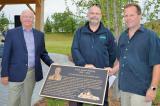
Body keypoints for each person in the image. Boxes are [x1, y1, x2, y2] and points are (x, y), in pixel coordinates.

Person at [107, 3, 160, 106]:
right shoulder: (123, 36)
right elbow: (122, 58)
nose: (128, 18)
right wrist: (113, 70)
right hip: (124, 88)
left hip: (141, 91)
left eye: (131, 15)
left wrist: (153, 88)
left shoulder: (151, 36)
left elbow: (157, 64)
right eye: (126, 15)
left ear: (139, 16)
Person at [1, 10, 54, 106]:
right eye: (25, 16)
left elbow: (43, 53)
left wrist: (52, 64)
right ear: (21, 18)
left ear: (33, 19)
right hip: (15, 73)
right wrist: (4, 74)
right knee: (13, 101)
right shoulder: (11, 33)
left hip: (32, 73)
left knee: (26, 101)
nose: (27, 19)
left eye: (30, 17)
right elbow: (6, 55)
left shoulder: (40, 35)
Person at [71, 4, 117, 106]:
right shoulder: (80, 32)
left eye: (97, 13)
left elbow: (113, 52)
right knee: (77, 100)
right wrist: (84, 64)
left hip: (101, 74)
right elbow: (74, 49)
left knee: (101, 101)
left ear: (101, 15)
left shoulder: (107, 33)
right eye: (92, 13)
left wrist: (109, 66)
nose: (94, 15)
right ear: (88, 15)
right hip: (82, 72)